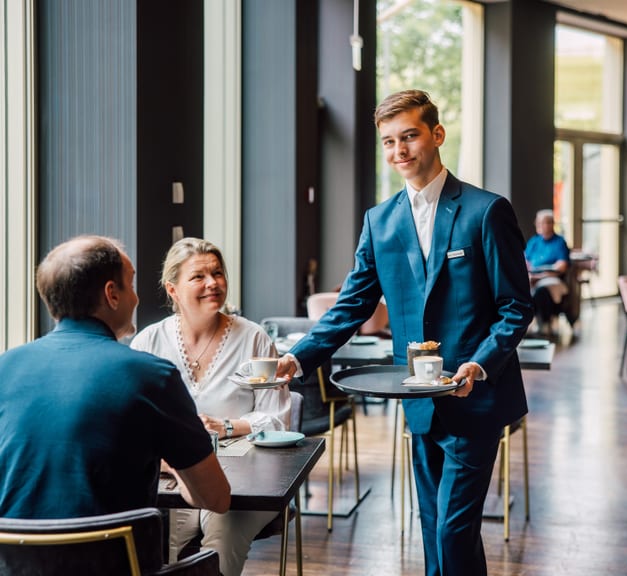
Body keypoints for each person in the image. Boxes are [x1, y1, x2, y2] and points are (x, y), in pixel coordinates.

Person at [276, 89, 534, 576]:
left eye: (410, 136)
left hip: (475, 397)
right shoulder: (380, 221)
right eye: (389, 142)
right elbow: (352, 303)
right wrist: (300, 356)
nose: (400, 151)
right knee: (435, 522)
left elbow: (516, 306)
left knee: (452, 530)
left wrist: (481, 362)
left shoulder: (486, 211)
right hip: (415, 398)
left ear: (436, 135)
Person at [0, 235, 230, 519]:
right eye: (131, 285)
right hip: (117, 560)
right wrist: (171, 463)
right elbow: (216, 498)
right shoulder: (152, 375)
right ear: (112, 294)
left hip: (12, 560)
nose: (136, 297)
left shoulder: (4, 367)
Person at [131, 237, 290, 576]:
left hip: (248, 479)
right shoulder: (148, 342)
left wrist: (228, 426)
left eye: (217, 273)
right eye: (198, 277)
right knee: (166, 538)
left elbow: (278, 419)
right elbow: (132, 421)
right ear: (172, 290)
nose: (213, 284)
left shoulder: (254, 338)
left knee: (223, 527)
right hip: (172, 474)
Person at [525, 209, 570, 336]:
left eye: (542, 222)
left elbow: (561, 266)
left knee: (542, 290)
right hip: (532, 276)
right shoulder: (534, 241)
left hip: (551, 277)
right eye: (537, 222)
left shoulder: (559, 242)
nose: (538, 225)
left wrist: (540, 276)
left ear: (551, 224)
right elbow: (525, 261)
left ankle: (543, 323)